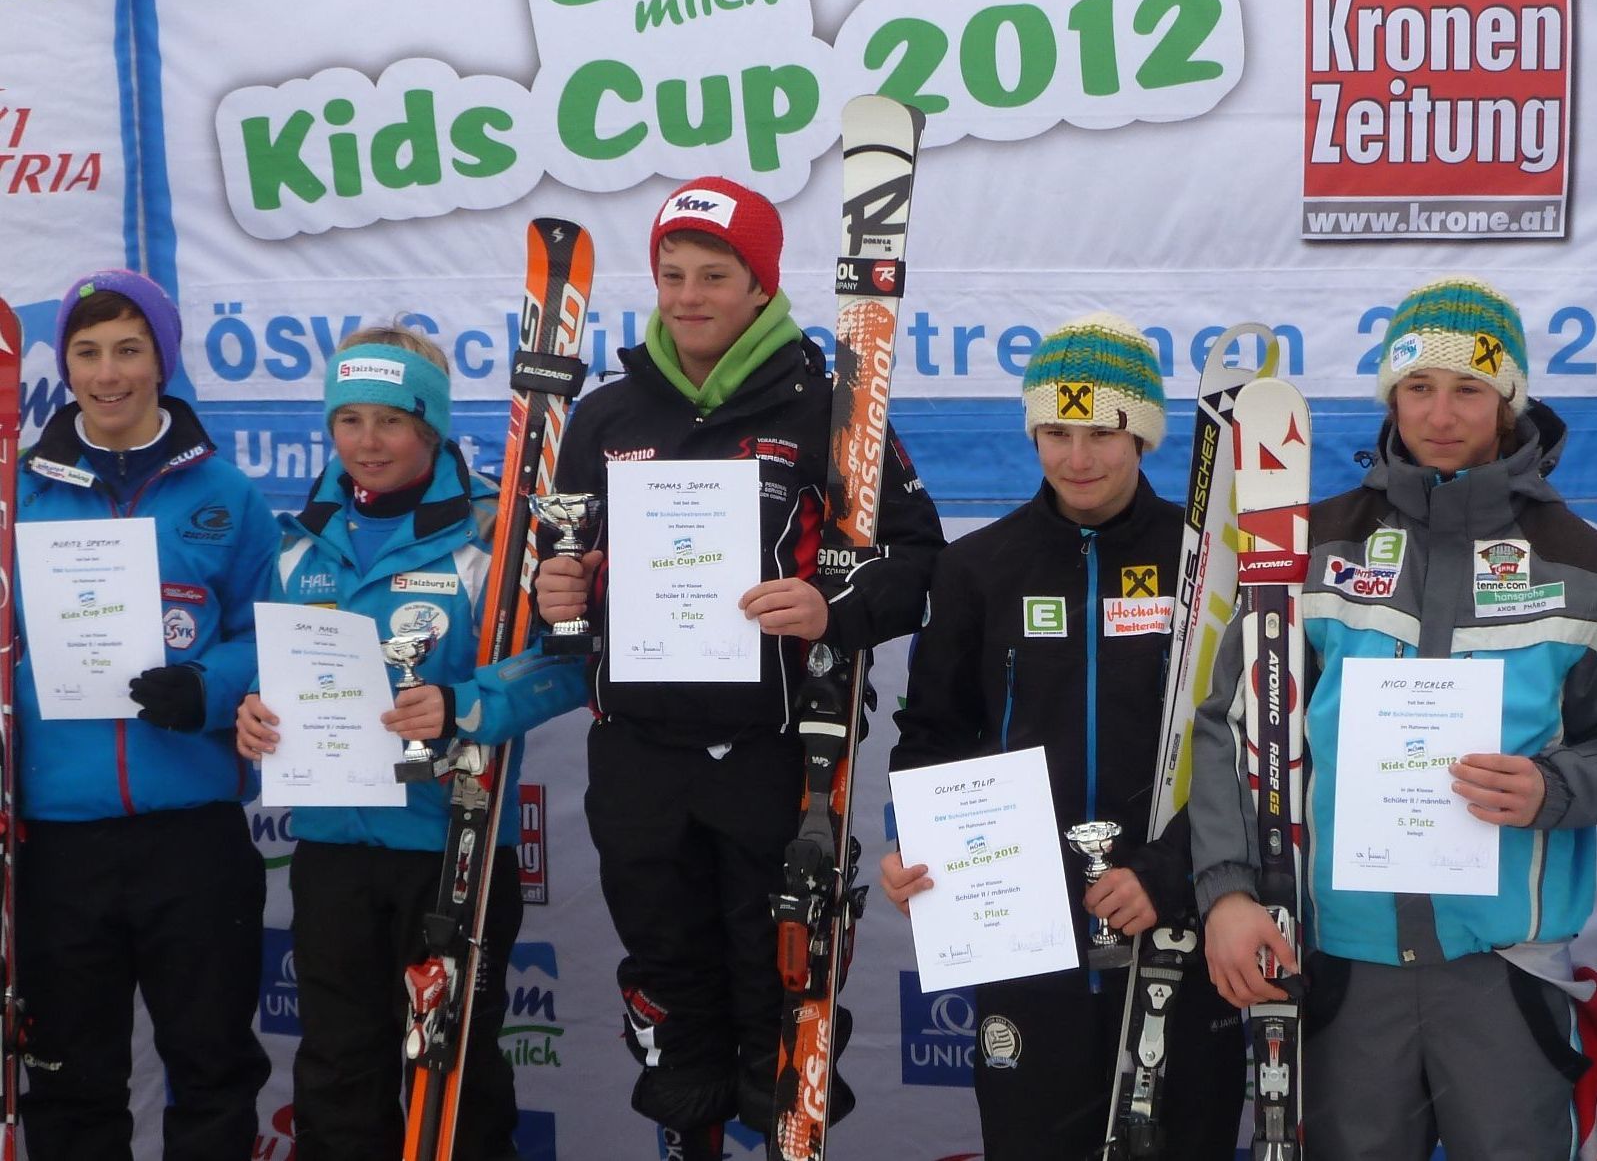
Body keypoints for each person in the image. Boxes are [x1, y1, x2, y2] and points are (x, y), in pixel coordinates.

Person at [533, 176, 944, 1157]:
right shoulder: (606, 417)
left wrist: (831, 605)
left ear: (759, 286)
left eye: (714, 275)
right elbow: (563, 565)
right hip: (638, 752)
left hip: (777, 752)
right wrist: (558, 596)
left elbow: (921, 559)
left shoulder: (831, 406)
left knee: (781, 993)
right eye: (672, 274)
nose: (687, 295)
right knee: (672, 989)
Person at [1190, 276, 1597, 1160]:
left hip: (1503, 968)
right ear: (1390, 396)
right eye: (1416, 387)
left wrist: (1555, 785)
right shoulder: (1314, 546)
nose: (1439, 413)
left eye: (1467, 389)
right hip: (1341, 962)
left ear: (1508, 399)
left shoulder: (1578, 562)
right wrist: (1224, 890)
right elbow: (1230, 728)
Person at [879, 312, 1246, 1160]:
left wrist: (1171, 871)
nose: (1076, 458)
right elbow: (932, 732)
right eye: (1054, 431)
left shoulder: (1205, 563)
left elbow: (1249, 745)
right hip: (1024, 933)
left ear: (1143, 435)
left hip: (1175, 927)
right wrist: (916, 841)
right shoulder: (979, 567)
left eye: (1101, 433)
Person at [234, 324, 586, 1161]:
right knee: (336, 1073)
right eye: (347, 420)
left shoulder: (491, 531)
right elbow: (262, 668)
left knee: (455, 1076)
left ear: (430, 427)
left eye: (389, 420)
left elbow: (568, 667)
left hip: (449, 842)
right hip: (330, 849)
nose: (367, 442)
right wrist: (249, 711)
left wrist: (466, 705)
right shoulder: (297, 539)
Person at [14, 270, 275, 1159]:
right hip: (56, 841)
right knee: (69, 1079)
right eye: (86, 352)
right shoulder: (19, 494)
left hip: (190, 835)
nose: (107, 372)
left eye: (129, 349)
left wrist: (212, 687)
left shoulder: (227, 495)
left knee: (210, 1069)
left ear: (162, 361)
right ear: (65, 365)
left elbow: (266, 629)